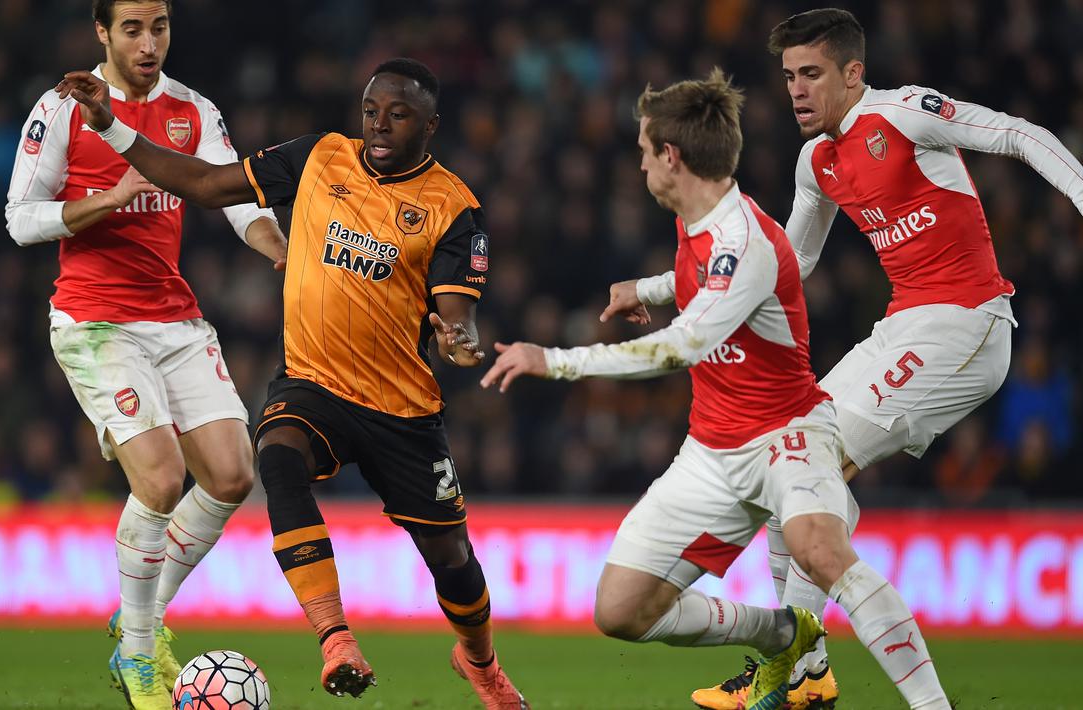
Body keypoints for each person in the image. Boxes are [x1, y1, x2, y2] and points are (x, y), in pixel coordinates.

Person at [592, 9, 1083, 709]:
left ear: (853, 73)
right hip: (903, 327)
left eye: (812, 74)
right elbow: (779, 263)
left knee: (804, 466)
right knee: (783, 460)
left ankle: (799, 668)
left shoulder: (904, 114)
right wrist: (650, 288)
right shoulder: (815, 162)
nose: (796, 89)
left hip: (964, 321)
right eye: (789, 75)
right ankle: (807, 666)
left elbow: (1017, 132)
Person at [56, 57, 527, 709]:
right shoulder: (319, 158)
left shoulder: (452, 208)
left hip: (401, 409)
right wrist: (111, 127)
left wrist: (458, 336)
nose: (380, 125)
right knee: (276, 458)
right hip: (313, 383)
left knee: (450, 556)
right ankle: (335, 639)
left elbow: (456, 311)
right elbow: (205, 181)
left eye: (399, 114)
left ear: (431, 125)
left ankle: (479, 663)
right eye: (371, 110)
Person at [482, 69, 951, 710]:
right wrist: (644, 289)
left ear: (671, 158)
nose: (642, 165)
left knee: (821, 551)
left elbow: (684, 344)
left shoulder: (746, 241)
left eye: (646, 152)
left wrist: (556, 360)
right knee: (619, 610)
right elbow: (702, 282)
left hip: (787, 437)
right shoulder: (696, 216)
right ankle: (784, 635)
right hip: (711, 451)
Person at [5, 2, 286, 708]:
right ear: (102, 32)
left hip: (174, 318)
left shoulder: (193, 110)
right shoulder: (61, 109)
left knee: (230, 474)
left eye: (158, 26)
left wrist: (282, 249)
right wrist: (104, 201)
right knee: (160, 480)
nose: (148, 41)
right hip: (96, 321)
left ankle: (138, 611)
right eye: (131, 28)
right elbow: (19, 219)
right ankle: (137, 656)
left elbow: (237, 200)